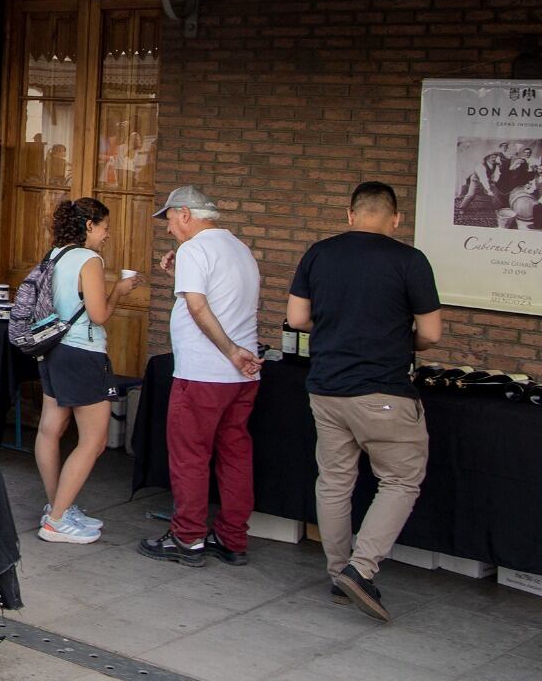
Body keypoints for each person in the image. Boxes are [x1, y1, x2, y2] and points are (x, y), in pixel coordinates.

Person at [287, 181, 442, 622]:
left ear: (350, 215)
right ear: (396, 219)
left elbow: (297, 318)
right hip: (383, 394)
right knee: (400, 480)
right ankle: (361, 569)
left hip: (326, 388)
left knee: (335, 481)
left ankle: (340, 575)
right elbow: (430, 334)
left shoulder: (319, 252)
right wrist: (397, 338)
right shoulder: (410, 261)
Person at [139, 186, 261, 568]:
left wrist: (229, 351)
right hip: (241, 378)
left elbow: (197, 306)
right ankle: (231, 538)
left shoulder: (195, 249)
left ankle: (187, 537)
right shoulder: (239, 248)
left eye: (170, 220)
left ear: (185, 214)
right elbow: (221, 294)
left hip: (204, 371)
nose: (170, 228)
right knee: (235, 454)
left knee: (190, 456)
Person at [34, 198, 139, 543]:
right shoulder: (89, 260)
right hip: (83, 352)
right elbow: (99, 314)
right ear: (90, 226)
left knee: (50, 429)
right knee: (93, 440)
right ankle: (58, 519)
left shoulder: (54, 254)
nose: (108, 235)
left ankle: (56, 506)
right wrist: (119, 292)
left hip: (52, 349)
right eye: (106, 227)